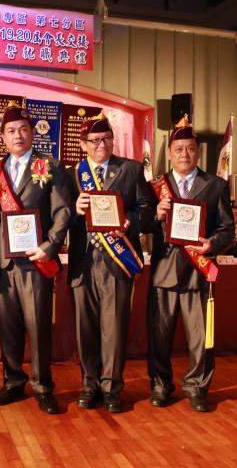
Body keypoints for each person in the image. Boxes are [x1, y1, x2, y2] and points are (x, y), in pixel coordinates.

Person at [0, 104, 72, 415]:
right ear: (3, 138)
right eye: (11, 131)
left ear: (33, 133)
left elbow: (63, 211)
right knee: (8, 328)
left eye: (23, 129)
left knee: (38, 327)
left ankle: (42, 386)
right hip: (5, 263)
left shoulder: (49, 166)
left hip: (37, 261)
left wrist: (50, 246)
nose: (18, 135)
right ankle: (12, 381)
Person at [145, 122, 233, 412]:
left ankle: (197, 387)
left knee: (201, 337)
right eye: (179, 149)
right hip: (164, 272)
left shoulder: (216, 185)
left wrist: (212, 244)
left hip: (198, 272)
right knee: (159, 336)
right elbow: (141, 224)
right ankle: (160, 385)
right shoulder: (155, 186)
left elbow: (227, 229)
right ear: (170, 153)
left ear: (198, 152)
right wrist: (155, 216)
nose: (185, 154)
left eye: (191, 149)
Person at [68, 114, 148, 413]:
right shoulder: (71, 175)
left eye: (107, 138)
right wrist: (74, 209)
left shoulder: (131, 169)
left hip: (117, 259)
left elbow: (147, 210)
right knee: (85, 329)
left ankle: (112, 387)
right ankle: (89, 385)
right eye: (94, 140)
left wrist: (129, 222)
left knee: (114, 328)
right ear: (83, 144)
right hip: (84, 261)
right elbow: (59, 215)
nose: (101, 144)